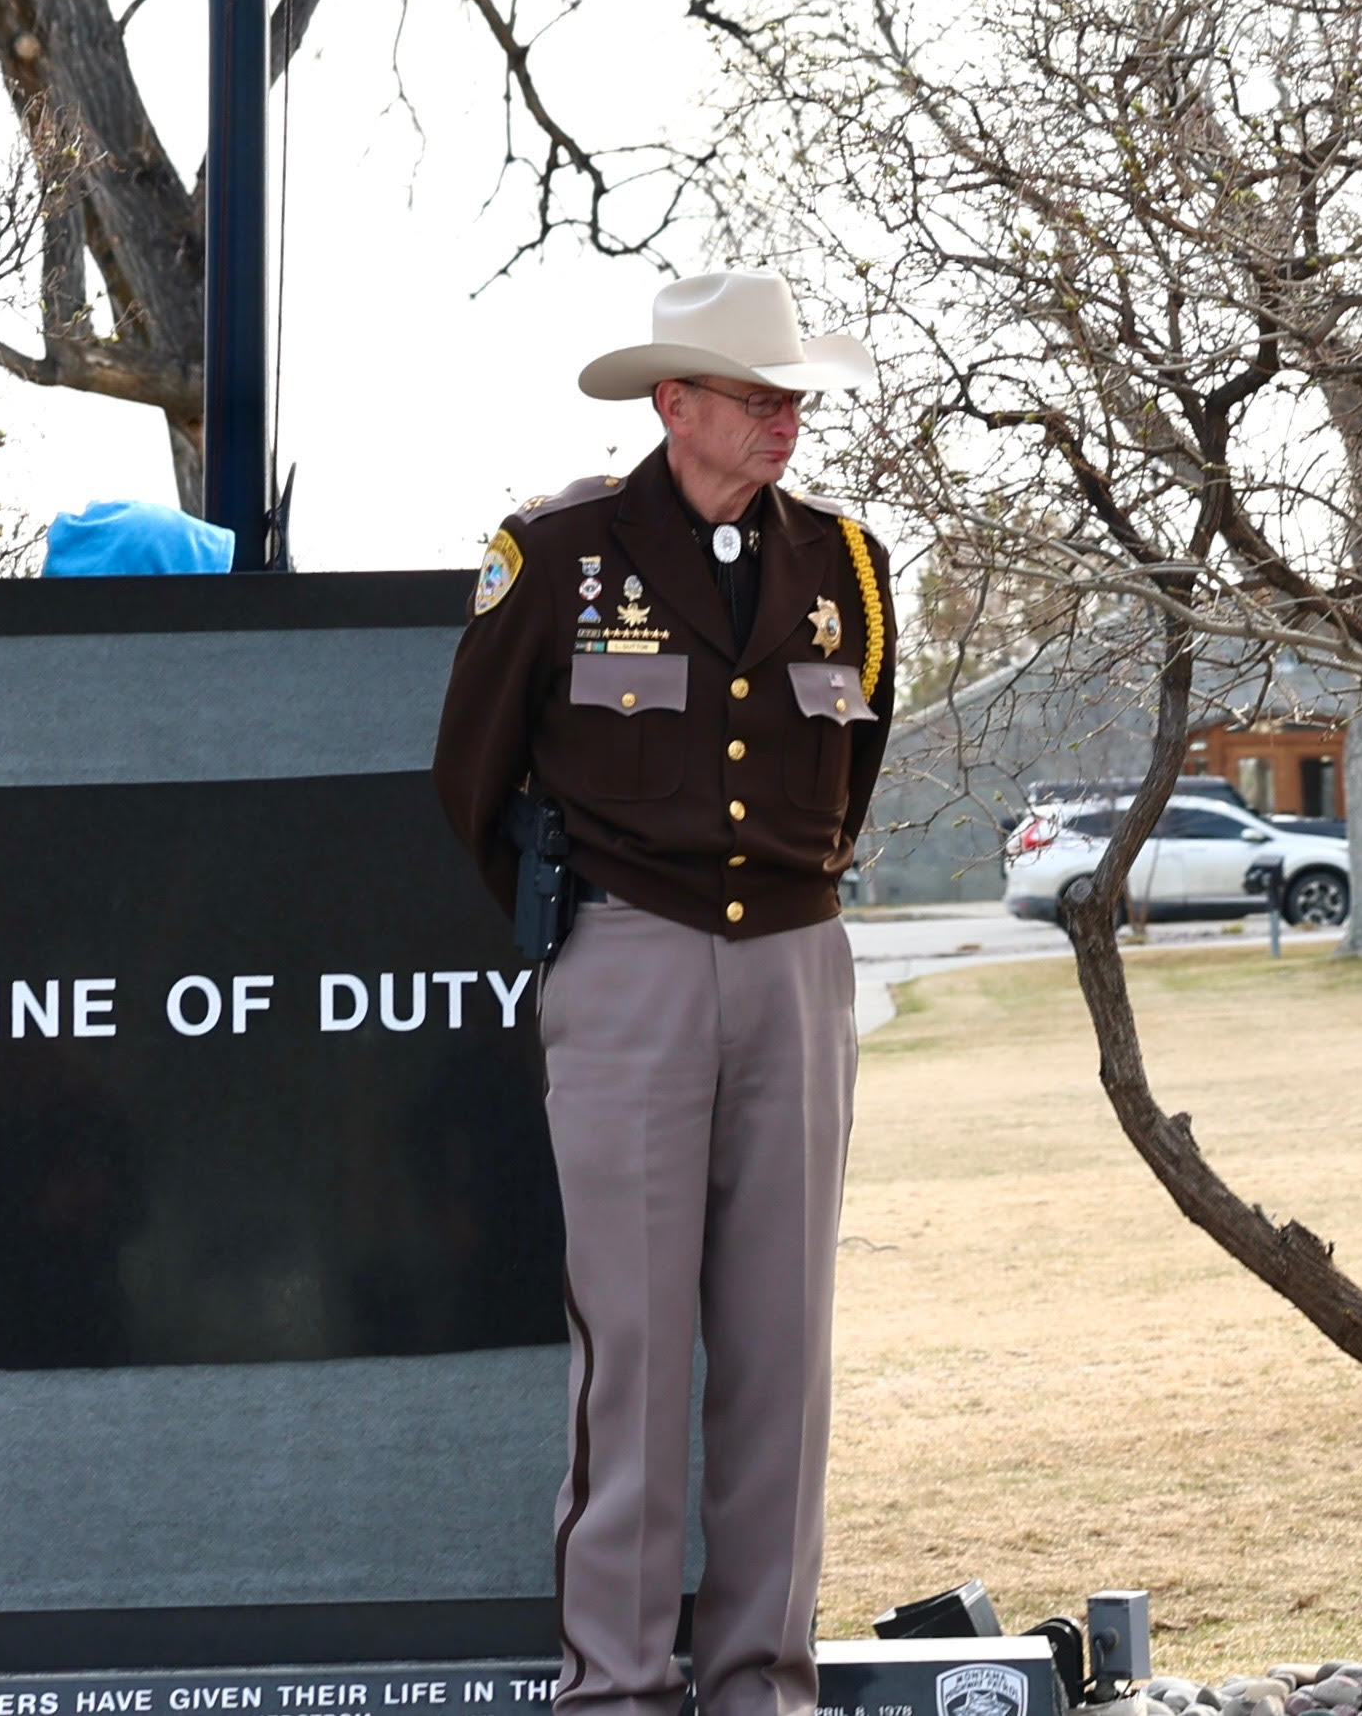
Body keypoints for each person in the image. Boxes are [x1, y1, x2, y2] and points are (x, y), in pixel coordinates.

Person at [435, 268, 897, 1716]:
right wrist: (595, 928)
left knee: (783, 1350)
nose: (786, 417)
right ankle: (619, 1686)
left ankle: (762, 1680)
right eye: (757, 394)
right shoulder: (561, 551)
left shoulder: (845, 564)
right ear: (674, 401)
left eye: (792, 394)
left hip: (797, 969)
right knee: (631, 1352)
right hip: (628, 959)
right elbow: (472, 781)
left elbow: (850, 774)